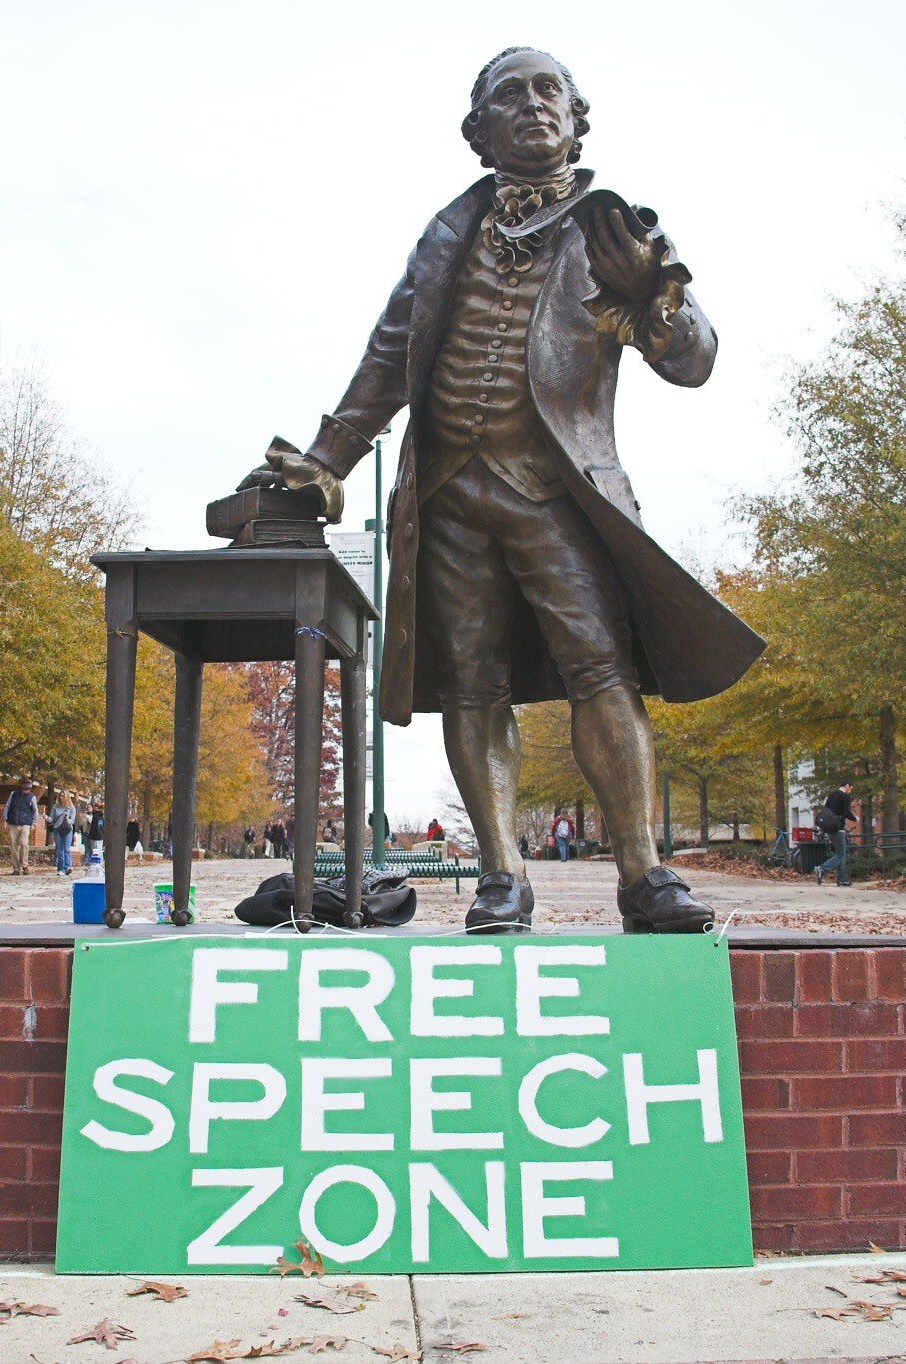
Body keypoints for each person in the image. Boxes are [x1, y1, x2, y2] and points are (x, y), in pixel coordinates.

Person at [239, 47, 761, 933]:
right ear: (478, 131)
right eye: (508, 95)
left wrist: (656, 300)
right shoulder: (448, 233)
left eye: (548, 90)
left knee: (603, 668)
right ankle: (501, 876)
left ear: (575, 115)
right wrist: (328, 457)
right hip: (447, 494)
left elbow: (697, 363)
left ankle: (644, 876)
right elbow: (388, 356)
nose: (532, 105)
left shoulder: (613, 228)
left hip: (557, 492)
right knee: (473, 684)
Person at [814, 780, 856, 885]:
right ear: (847, 786)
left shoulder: (831, 795)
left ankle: (841, 880)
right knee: (841, 853)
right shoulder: (845, 797)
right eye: (851, 788)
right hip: (838, 828)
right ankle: (822, 868)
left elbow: (827, 810)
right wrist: (855, 818)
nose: (850, 791)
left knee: (840, 853)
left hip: (829, 828)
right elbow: (847, 812)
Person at [2, 778, 38, 875]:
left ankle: (25, 865)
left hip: (25, 824)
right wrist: (5, 819)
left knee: (24, 843)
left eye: (27, 789)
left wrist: (34, 823)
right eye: (24, 789)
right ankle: (16, 868)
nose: (26, 791)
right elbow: (7, 806)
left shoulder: (32, 797)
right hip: (13, 823)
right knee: (13, 846)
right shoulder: (13, 794)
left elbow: (35, 811)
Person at [47, 791, 77, 875]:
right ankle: (60, 869)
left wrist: (68, 820)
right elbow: (51, 819)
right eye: (60, 796)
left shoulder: (71, 807)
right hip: (57, 829)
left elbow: (73, 820)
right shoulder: (55, 807)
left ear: (67, 797)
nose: (61, 798)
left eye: (63, 796)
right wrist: (46, 818)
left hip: (67, 829)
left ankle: (68, 866)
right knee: (59, 850)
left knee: (66, 849)